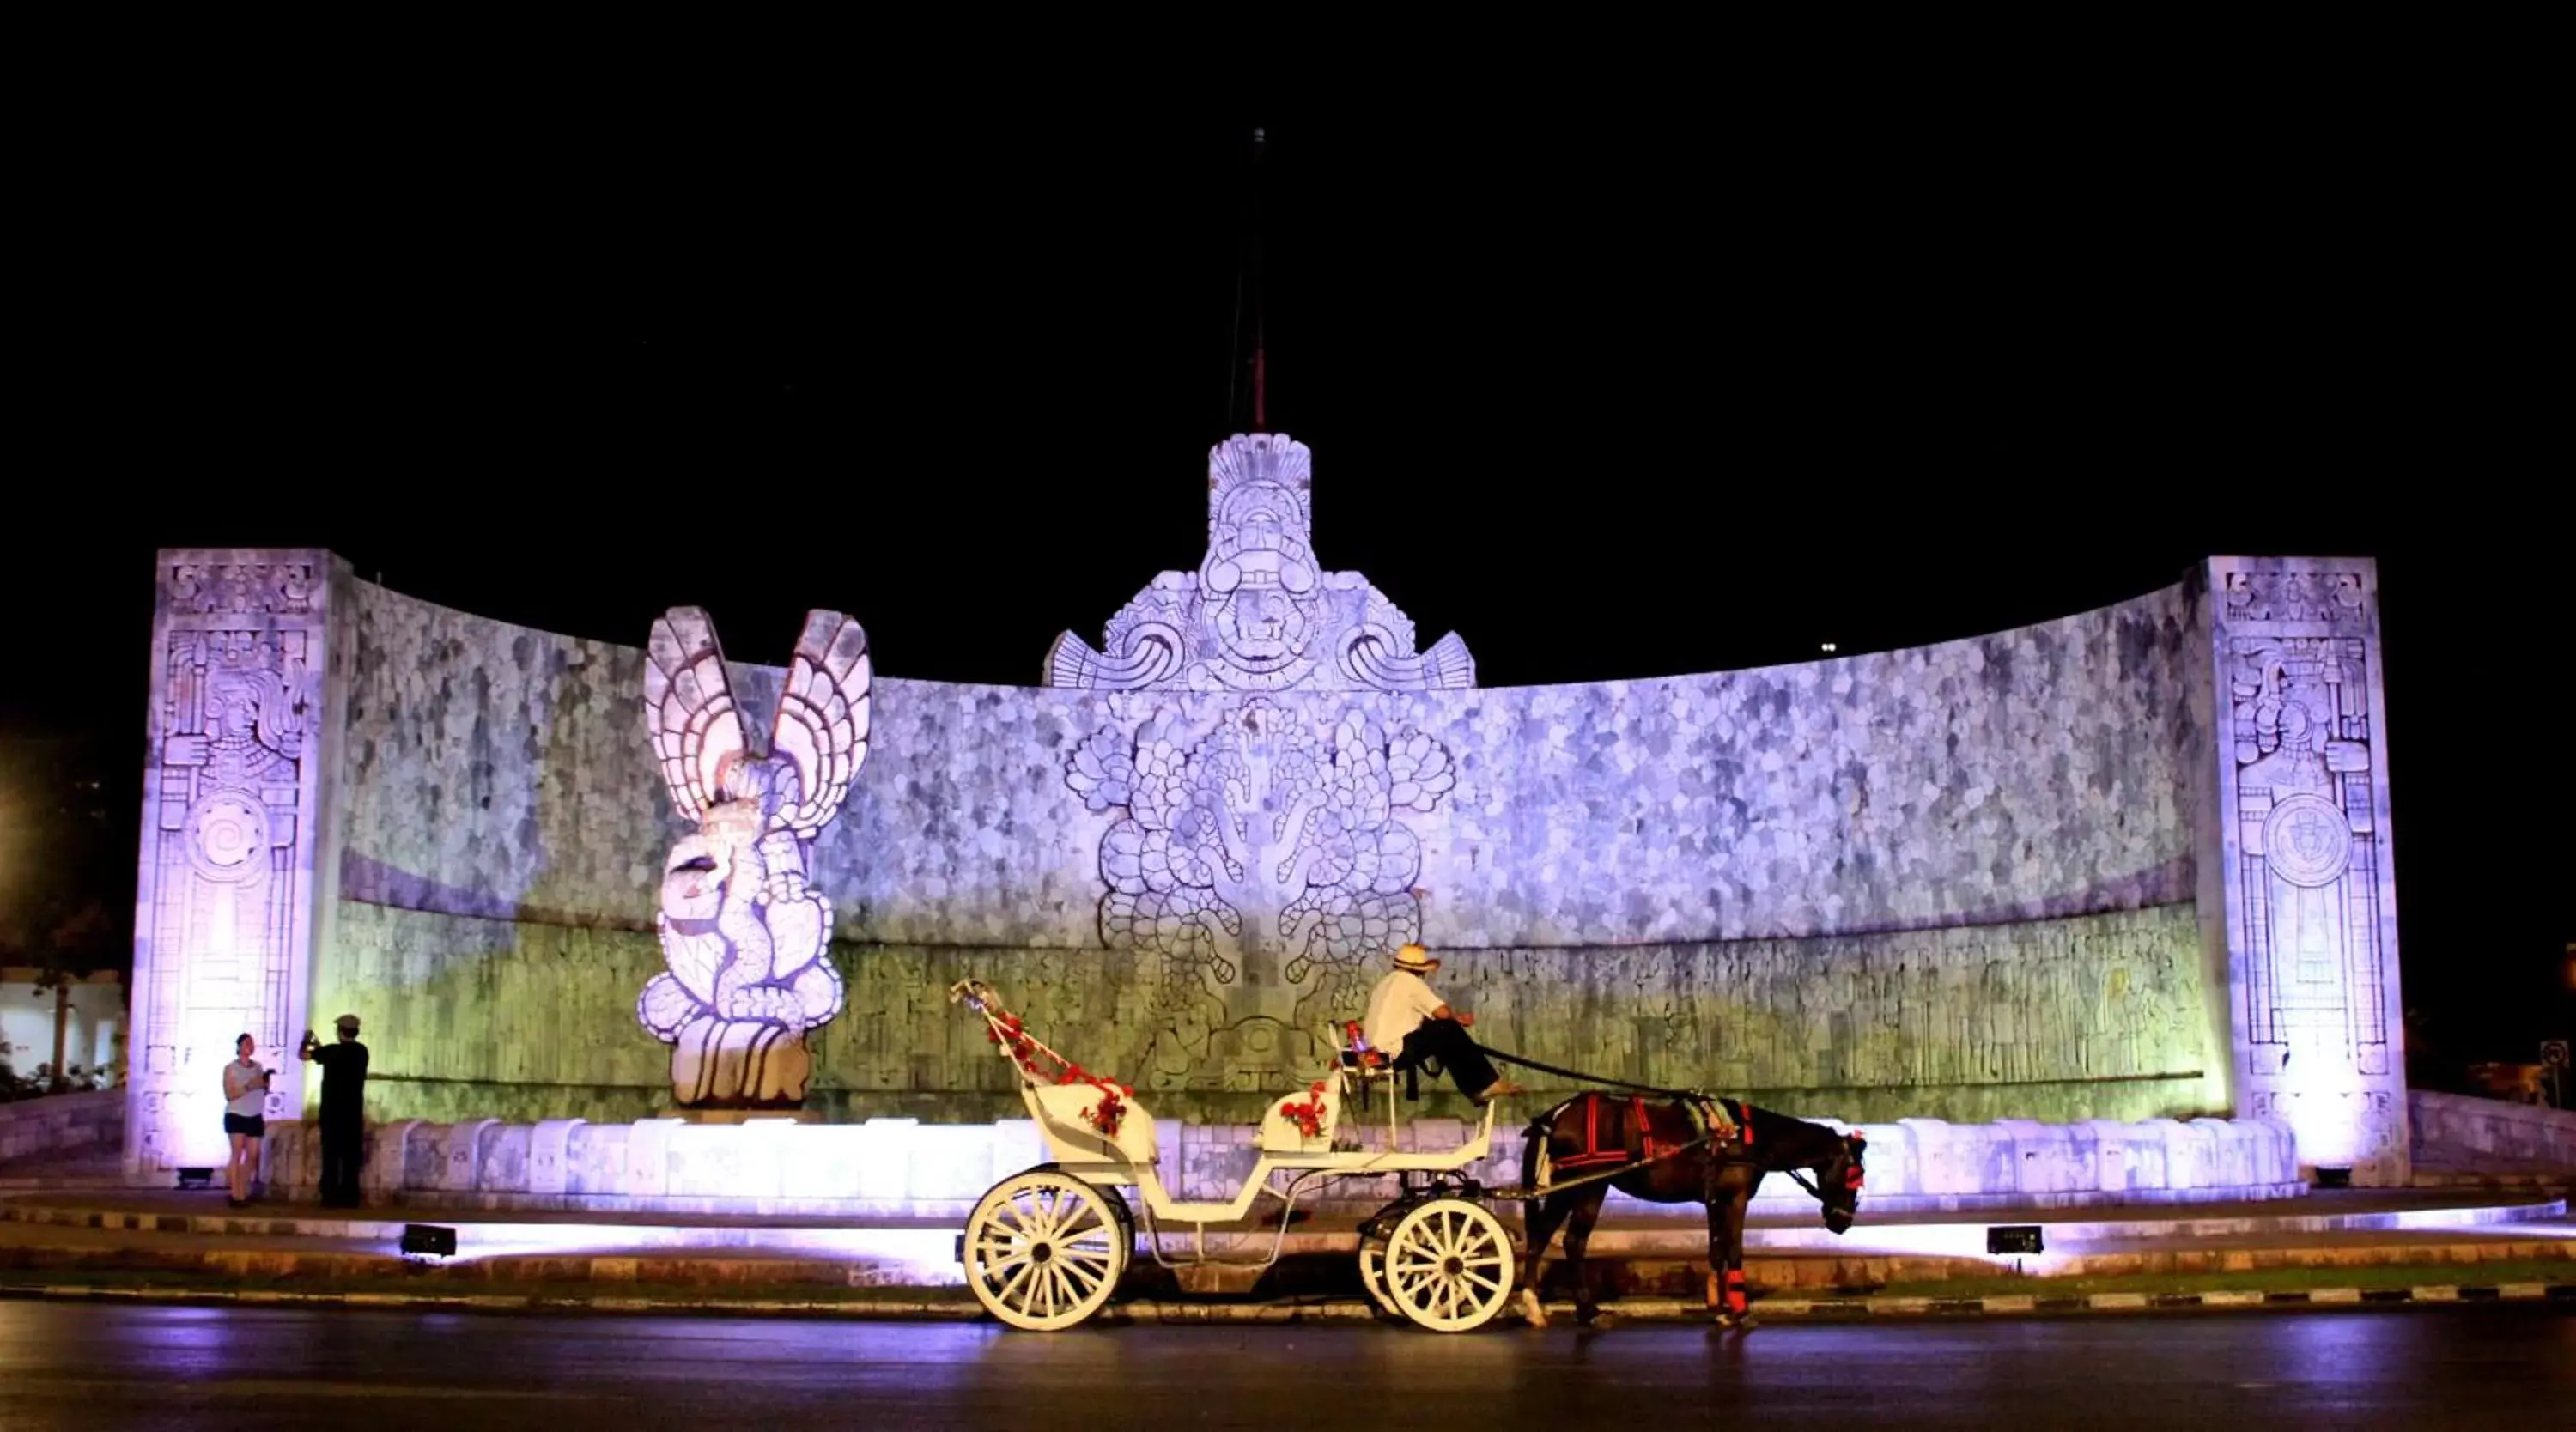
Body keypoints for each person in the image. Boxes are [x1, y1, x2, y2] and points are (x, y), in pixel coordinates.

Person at [1361, 944, 1524, 1104]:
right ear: (1419, 969)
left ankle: (1479, 1088)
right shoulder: (1411, 983)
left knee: (1441, 1032)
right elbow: (1442, 1012)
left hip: (1374, 1049)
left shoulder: (1385, 983)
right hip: (1392, 1052)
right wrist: (1457, 1018)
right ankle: (1486, 1084)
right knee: (1447, 1028)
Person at [300, 1014, 369, 1208]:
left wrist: (307, 1042)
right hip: (353, 1114)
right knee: (351, 1157)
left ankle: (330, 1196)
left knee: (331, 1155)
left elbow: (305, 1055)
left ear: (339, 1032)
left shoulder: (332, 1052)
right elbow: (335, 1054)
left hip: (332, 1114)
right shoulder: (362, 1052)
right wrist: (322, 1049)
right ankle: (350, 1197)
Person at [220, 1034, 270, 1207]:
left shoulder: (258, 1067)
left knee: (252, 1154)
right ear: (239, 1046)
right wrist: (249, 1086)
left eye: (252, 1043)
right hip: (236, 1114)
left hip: (254, 1114)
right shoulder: (231, 1068)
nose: (250, 1045)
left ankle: (243, 1186)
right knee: (237, 1153)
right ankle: (236, 1193)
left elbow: (262, 1089)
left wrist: (264, 1084)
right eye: (246, 1043)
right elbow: (229, 1094)